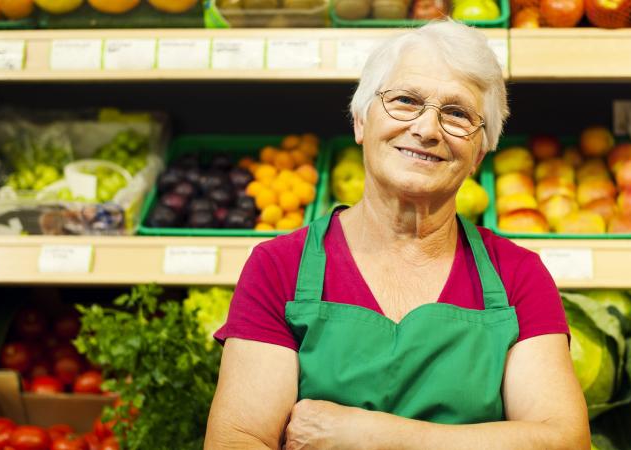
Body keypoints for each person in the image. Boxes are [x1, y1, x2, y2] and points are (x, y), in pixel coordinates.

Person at [205, 20, 589, 450]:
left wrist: (368, 435)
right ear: (360, 121)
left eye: (457, 114)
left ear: (480, 152)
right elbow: (238, 440)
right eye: (406, 101)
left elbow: (563, 441)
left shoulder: (518, 276)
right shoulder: (280, 267)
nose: (427, 129)